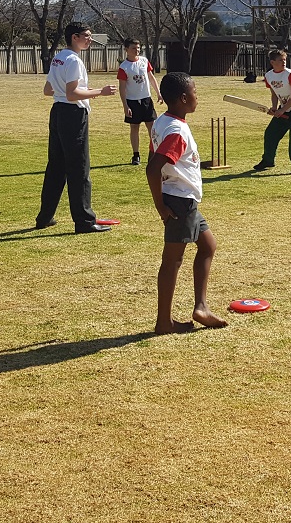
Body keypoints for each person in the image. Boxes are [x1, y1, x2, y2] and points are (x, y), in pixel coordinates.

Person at [147, 71, 228, 333]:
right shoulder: (177, 131)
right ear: (183, 98)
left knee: (208, 245)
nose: (197, 96)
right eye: (195, 92)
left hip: (184, 199)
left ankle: (201, 307)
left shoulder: (162, 122)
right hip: (179, 200)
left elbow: (154, 157)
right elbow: (152, 168)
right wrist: (161, 207)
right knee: (172, 260)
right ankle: (164, 322)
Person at [36, 22, 118, 233]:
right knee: (79, 168)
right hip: (73, 115)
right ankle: (85, 221)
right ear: (74, 37)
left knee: (56, 167)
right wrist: (100, 92)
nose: (90, 39)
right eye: (86, 36)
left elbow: (49, 90)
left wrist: (84, 90)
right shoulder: (73, 60)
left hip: (58, 112)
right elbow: (72, 94)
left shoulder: (59, 58)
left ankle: (45, 217)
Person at [255, 48, 291, 175]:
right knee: (270, 133)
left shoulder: (289, 74)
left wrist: (282, 110)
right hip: (284, 108)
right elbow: (274, 94)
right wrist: (274, 107)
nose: (284, 62)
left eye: (284, 60)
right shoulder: (268, 76)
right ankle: (268, 160)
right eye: (280, 60)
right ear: (272, 62)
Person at [116, 38, 160, 166]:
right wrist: (125, 106)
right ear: (126, 50)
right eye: (133, 48)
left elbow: (151, 78)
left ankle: (155, 152)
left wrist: (158, 93)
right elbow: (122, 88)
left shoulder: (144, 61)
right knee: (134, 127)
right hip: (132, 101)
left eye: (138, 48)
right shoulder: (124, 67)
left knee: (151, 126)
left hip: (146, 99)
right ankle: (136, 155)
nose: (137, 50)